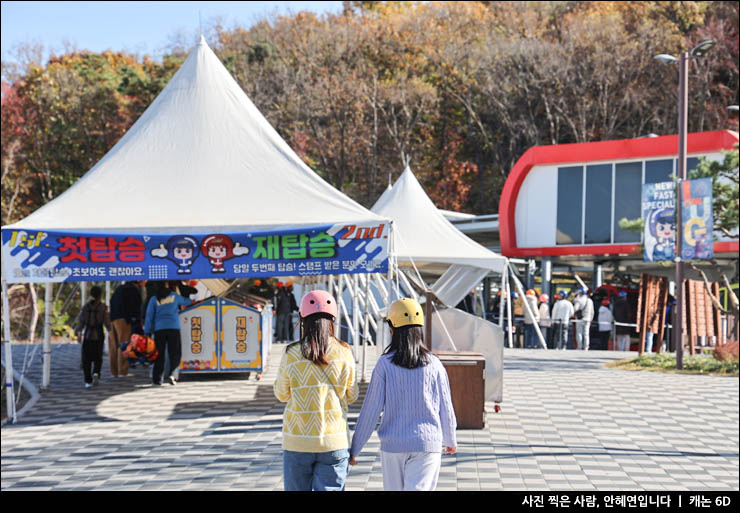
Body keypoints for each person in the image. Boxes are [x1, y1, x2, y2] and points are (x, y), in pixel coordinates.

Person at [349, 298, 457, 491]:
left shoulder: (384, 364)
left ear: (392, 330)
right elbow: (445, 406)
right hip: (427, 443)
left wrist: (355, 448)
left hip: (393, 444)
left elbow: (370, 410)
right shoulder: (435, 364)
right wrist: (450, 439)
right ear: (420, 330)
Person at [274, 290, 358, 491]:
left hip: (297, 441)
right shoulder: (344, 351)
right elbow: (352, 395)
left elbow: (281, 394)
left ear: (302, 317)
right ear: (333, 319)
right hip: (334, 441)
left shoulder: (292, 353)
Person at [144, 281, 192, 386]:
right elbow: (188, 302)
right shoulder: (174, 296)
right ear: (166, 285)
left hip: (159, 330)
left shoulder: (154, 299)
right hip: (173, 328)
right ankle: (173, 375)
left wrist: (147, 332)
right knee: (174, 353)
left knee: (159, 355)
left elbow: (149, 316)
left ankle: (157, 380)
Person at [75, 286, 110, 388]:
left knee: (86, 358)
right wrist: (110, 332)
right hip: (99, 334)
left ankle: (87, 381)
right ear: (100, 295)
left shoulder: (86, 307)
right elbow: (107, 322)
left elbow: (81, 322)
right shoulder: (103, 307)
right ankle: (96, 373)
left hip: (88, 334)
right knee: (98, 356)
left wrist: (78, 333)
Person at [108, 280, 145, 377]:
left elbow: (111, 302)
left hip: (112, 319)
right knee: (123, 345)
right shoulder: (133, 290)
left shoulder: (119, 288)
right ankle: (122, 371)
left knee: (113, 346)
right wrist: (136, 319)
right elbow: (136, 306)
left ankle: (114, 371)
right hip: (123, 320)